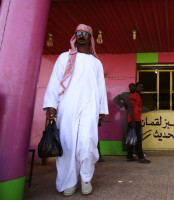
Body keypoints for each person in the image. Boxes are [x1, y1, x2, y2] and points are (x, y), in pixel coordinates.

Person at [43, 24, 108, 196]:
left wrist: (101, 109)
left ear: (90, 39)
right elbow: (55, 81)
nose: (81, 36)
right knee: (68, 143)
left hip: (90, 107)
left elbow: (101, 87)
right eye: (78, 33)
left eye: (85, 34)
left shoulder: (96, 62)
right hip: (67, 106)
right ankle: (68, 182)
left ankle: (86, 178)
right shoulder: (64, 58)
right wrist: (51, 104)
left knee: (88, 142)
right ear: (75, 37)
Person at [127, 82, 150, 163]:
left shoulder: (138, 96)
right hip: (134, 120)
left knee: (132, 138)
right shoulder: (133, 96)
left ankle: (129, 157)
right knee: (138, 139)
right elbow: (131, 109)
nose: (141, 88)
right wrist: (133, 121)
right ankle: (140, 157)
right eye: (140, 87)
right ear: (136, 87)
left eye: (142, 87)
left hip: (135, 120)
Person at [113, 83, 136, 151]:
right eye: (130, 87)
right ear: (129, 88)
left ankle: (134, 151)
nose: (132, 88)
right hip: (127, 115)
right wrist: (123, 104)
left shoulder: (137, 95)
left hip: (135, 115)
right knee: (127, 132)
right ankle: (128, 151)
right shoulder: (125, 95)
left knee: (136, 133)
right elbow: (115, 99)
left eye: (133, 87)